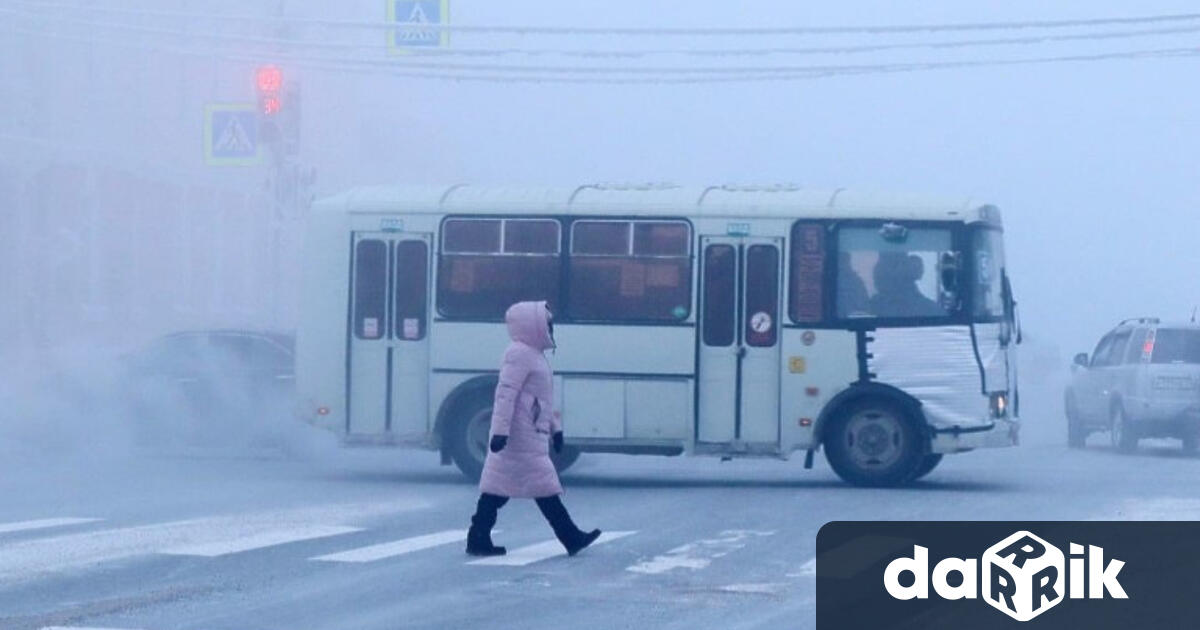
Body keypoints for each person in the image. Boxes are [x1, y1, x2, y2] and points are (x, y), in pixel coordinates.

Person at [466, 300, 602, 557]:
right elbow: (506, 394)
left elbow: (539, 400)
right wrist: (499, 433)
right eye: (547, 323)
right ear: (533, 325)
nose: (551, 327)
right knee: (543, 488)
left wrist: (555, 429)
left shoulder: (531, 354)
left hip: (526, 434)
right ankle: (571, 537)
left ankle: (478, 537)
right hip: (519, 436)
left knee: (498, 490)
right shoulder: (519, 354)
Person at [869, 252, 944, 318]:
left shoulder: (929, 310)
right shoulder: (872, 306)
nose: (878, 271)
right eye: (881, 265)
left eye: (892, 266)